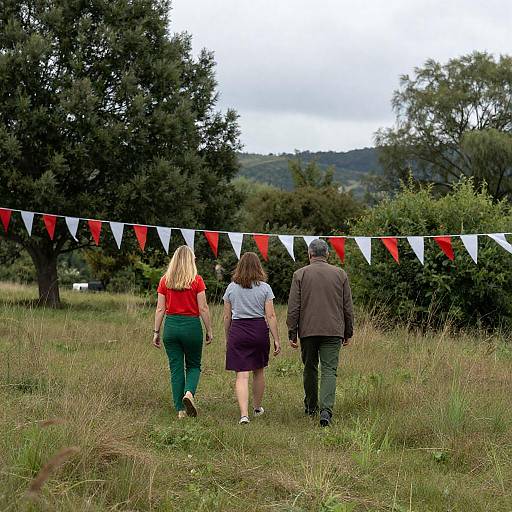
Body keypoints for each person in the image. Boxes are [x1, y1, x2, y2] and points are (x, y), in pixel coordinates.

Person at [287, 238, 353, 427]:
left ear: (309, 254)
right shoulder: (340, 274)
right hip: (333, 330)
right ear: (328, 255)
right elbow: (347, 307)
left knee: (310, 368)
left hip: (307, 330)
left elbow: (293, 307)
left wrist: (292, 332)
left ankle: (310, 407)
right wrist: (348, 331)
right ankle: (326, 411)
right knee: (329, 370)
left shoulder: (299, 275)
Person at [153, 245, 213, 419]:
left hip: (171, 327)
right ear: (190, 261)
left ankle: (180, 410)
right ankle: (189, 394)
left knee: (176, 368)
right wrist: (209, 330)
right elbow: (203, 307)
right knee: (193, 365)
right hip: (192, 327)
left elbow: (159, 309)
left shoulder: (165, 280)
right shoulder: (197, 280)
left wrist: (156, 331)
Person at [223, 252, 281, 424]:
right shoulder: (265, 288)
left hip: (238, 331)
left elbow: (227, 317)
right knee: (259, 370)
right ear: (258, 268)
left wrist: (228, 336)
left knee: (242, 375)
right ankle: (256, 407)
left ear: (239, 267)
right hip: (258, 331)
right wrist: (276, 339)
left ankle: (243, 415)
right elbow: (270, 316)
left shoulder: (231, 288)